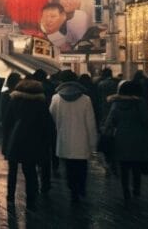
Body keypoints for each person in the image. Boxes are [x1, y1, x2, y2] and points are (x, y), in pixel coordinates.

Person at [1, 79, 54, 210]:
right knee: (30, 170)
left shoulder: (13, 102)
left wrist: (5, 143)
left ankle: (10, 197)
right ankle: (31, 197)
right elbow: (48, 125)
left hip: (15, 141)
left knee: (12, 170)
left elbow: (7, 123)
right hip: (33, 142)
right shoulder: (40, 104)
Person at [49, 70, 96, 203]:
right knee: (81, 165)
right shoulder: (86, 99)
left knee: (68, 167)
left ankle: (72, 190)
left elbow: (51, 117)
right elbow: (91, 123)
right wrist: (93, 143)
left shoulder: (56, 98)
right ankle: (81, 187)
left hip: (64, 138)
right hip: (82, 139)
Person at [103, 80, 148, 201]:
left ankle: (125, 191)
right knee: (136, 166)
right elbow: (146, 120)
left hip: (120, 138)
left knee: (124, 167)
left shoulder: (116, 104)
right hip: (138, 138)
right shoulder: (140, 103)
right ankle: (136, 190)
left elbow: (110, 122)